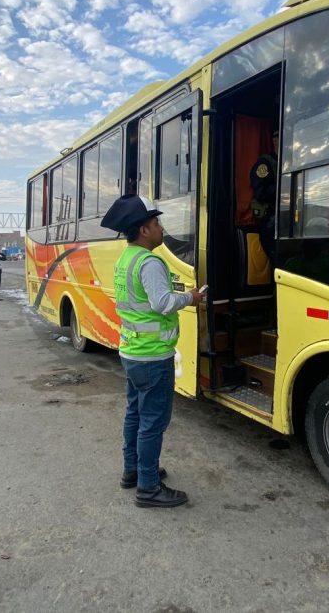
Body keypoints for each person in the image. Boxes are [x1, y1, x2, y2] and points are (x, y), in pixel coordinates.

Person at [101, 194, 204, 508]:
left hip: (132, 351)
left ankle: (132, 470)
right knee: (153, 422)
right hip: (153, 355)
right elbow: (162, 303)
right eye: (156, 223)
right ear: (144, 230)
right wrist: (190, 298)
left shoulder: (126, 258)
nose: (161, 228)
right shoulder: (150, 262)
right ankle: (148, 487)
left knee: (135, 414)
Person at [250, 130, 279, 262]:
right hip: (270, 221)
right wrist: (281, 186)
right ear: (274, 141)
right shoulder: (265, 164)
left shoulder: (289, 161)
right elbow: (260, 193)